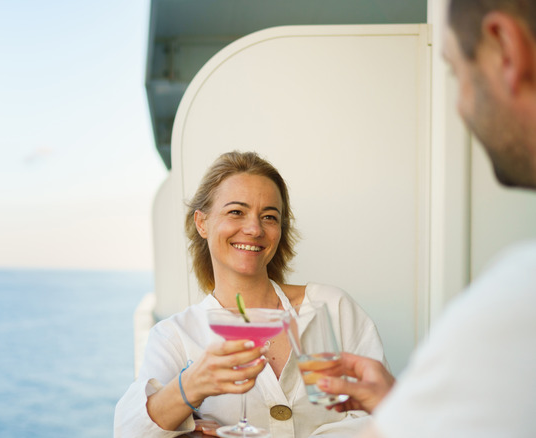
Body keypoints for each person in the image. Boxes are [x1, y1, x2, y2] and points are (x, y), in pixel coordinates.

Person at [315, 0, 536, 436]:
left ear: (505, 49)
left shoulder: (518, 296)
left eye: (456, 71)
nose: (460, 106)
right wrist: (403, 406)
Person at [114, 151, 386, 437]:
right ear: (202, 223)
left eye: (269, 217)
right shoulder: (176, 336)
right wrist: (191, 386)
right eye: (236, 212)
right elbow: (129, 431)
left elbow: (385, 417)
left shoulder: (330, 307)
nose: (254, 229)